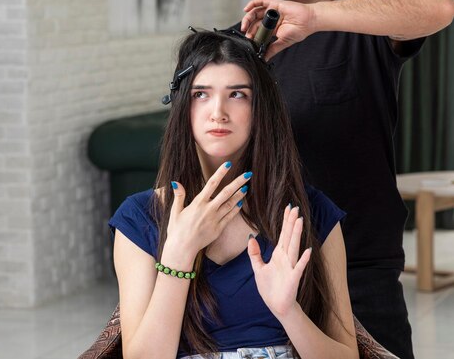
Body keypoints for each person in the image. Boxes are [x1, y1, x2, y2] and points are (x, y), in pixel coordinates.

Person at [228, 0, 454, 358]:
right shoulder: (236, 50)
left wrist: (315, 18)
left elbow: (439, 7)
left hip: (359, 277)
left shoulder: (361, 20)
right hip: (256, 278)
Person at [109, 30, 358, 359]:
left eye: (237, 94)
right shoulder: (139, 217)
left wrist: (288, 311)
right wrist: (178, 255)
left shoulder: (311, 212)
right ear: (183, 106)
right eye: (201, 94)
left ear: (260, 109)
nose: (218, 112)